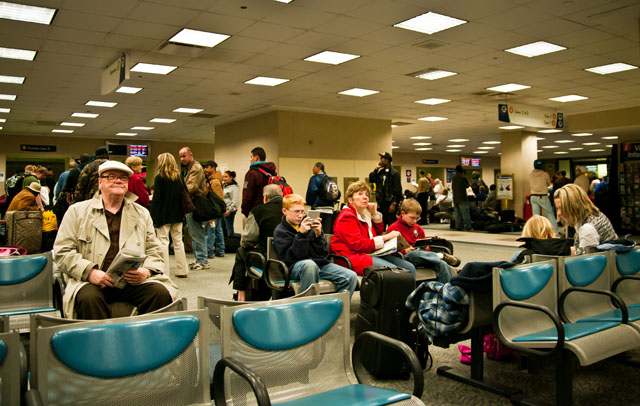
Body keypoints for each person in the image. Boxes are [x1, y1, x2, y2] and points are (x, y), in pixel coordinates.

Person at [53, 160, 178, 319]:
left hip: (131, 282)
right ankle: (102, 342)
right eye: (111, 176)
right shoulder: (77, 212)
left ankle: (143, 340)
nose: (118, 180)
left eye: (123, 178)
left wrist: (146, 271)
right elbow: (62, 252)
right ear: (100, 182)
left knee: (160, 293)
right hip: (92, 281)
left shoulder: (141, 213)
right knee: (89, 299)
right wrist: (89, 272)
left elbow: (154, 250)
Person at [273, 194, 357, 296]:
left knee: (351, 276)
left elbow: (323, 253)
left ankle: (334, 309)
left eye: (302, 211)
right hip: (294, 267)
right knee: (309, 265)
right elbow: (290, 258)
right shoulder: (281, 231)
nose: (300, 215)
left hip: (317, 264)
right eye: (296, 212)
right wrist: (301, 235)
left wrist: (318, 235)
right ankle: (308, 309)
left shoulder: (308, 225)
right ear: (284, 211)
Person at [330, 180, 416, 276]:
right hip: (352, 257)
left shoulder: (362, 215)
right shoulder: (347, 216)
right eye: (360, 194)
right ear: (350, 200)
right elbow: (358, 245)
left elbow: (377, 232)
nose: (365, 197)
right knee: (395, 273)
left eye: (367, 195)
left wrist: (374, 213)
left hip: (367, 253)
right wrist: (386, 237)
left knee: (410, 268)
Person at [387, 199, 459, 283]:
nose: (414, 221)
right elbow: (390, 251)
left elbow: (425, 249)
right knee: (414, 253)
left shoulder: (418, 229)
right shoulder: (393, 229)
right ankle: (440, 256)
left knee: (442, 264)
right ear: (403, 213)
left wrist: (426, 248)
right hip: (405, 257)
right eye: (412, 218)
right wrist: (405, 250)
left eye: (417, 218)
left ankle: (447, 290)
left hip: (421, 256)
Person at [231, 184, 283, 301]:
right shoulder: (291, 210)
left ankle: (241, 293)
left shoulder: (258, 211)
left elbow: (247, 240)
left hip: (266, 259)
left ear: (265, 197)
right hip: (288, 258)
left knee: (241, 251)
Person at [150, 153, 188, 278]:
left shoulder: (159, 178)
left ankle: (164, 271)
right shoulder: (179, 177)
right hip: (178, 214)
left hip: (163, 215)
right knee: (178, 242)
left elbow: (156, 199)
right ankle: (182, 270)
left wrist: (153, 215)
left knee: (162, 243)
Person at [554, 184, 617, 256]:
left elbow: (584, 262)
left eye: (562, 208)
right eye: (557, 208)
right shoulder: (594, 215)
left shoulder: (588, 229)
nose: (558, 213)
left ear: (574, 206)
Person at [179, 146, 209, 270]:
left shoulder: (195, 168)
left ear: (191, 155)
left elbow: (192, 187)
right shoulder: (188, 169)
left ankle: (202, 260)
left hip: (195, 203)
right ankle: (200, 259)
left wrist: (179, 195)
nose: (182, 159)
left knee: (197, 233)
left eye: (184, 156)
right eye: (180, 156)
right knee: (194, 233)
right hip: (191, 204)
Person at [241, 146, 278, 217]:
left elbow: (247, 195)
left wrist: (245, 211)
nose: (250, 160)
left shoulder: (252, 173)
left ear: (256, 158)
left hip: (256, 212)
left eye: (251, 157)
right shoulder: (273, 172)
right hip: (271, 211)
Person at [369, 152, 402, 228]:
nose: (381, 160)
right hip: (381, 203)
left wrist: (394, 203)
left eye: (382, 159)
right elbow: (372, 179)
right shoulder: (380, 172)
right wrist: (376, 170)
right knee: (381, 226)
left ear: (387, 160)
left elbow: (398, 190)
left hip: (390, 203)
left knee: (392, 226)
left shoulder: (395, 173)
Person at [528, 159, 558, 234]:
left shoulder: (530, 174)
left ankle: (536, 232)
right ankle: (555, 231)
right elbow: (548, 183)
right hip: (543, 196)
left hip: (533, 196)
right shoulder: (545, 174)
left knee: (536, 216)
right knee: (549, 213)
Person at [203, 160, 225, 257]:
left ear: (213, 168)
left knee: (211, 230)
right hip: (217, 210)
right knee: (218, 230)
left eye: (207, 167)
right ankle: (220, 250)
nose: (205, 169)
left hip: (213, 209)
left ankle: (209, 251)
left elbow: (217, 198)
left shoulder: (214, 182)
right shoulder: (214, 180)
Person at [451, 165, 472, 231]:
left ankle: (458, 226)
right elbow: (467, 186)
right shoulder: (463, 177)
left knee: (457, 214)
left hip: (455, 198)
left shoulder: (454, 177)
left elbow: (452, 187)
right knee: (465, 213)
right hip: (462, 198)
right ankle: (467, 226)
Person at [222, 170, 239, 237]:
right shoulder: (225, 186)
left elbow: (235, 200)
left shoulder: (234, 187)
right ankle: (226, 243)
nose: (224, 178)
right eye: (223, 177)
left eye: (226, 177)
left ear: (231, 177)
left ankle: (231, 243)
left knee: (229, 229)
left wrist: (229, 210)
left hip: (229, 210)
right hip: (223, 210)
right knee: (223, 229)